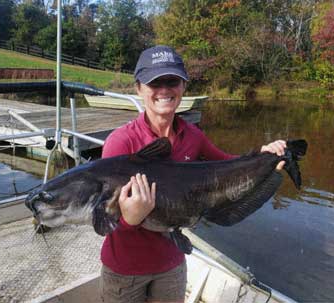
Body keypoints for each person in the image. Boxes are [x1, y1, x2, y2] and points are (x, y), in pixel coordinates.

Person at [100, 45, 286, 303]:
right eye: (155, 82)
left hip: (171, 264)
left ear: (183, 87)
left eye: (172, 81)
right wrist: (130, 220)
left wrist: (262, 156)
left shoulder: (193, 135)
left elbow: (227, 166)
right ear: (139, 88)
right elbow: (102, 218)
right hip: (125, 270)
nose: (164, 89)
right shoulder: (120, 143)